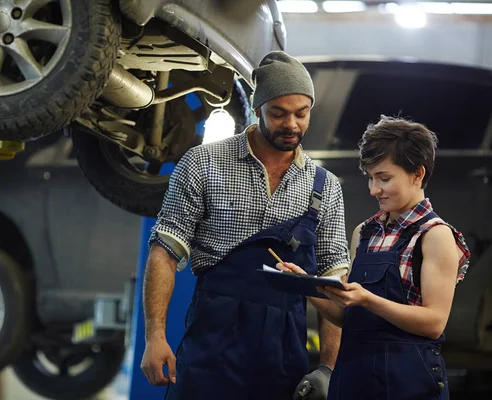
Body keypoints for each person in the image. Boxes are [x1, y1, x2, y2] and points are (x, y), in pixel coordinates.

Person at [140, 51, 351, 400]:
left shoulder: (324, 186)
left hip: (284, 354)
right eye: (279, 114)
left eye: (302, 113)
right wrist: (155, 336)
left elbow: (334, 285)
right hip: (212, 342)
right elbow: (164, 252)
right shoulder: (204, 163)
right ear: (257, 109)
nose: (292, 125)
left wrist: (329, 368)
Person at [278, 116, 471, 400]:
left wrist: (368, 299)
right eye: (370, 177)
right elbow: (349, 317)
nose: (373, 189)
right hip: (353, 381)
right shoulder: (364, 232)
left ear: (417, 173)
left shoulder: (435, 235)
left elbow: (434, 322)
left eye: (384, 178)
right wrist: (305, 285)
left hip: (409, 385)